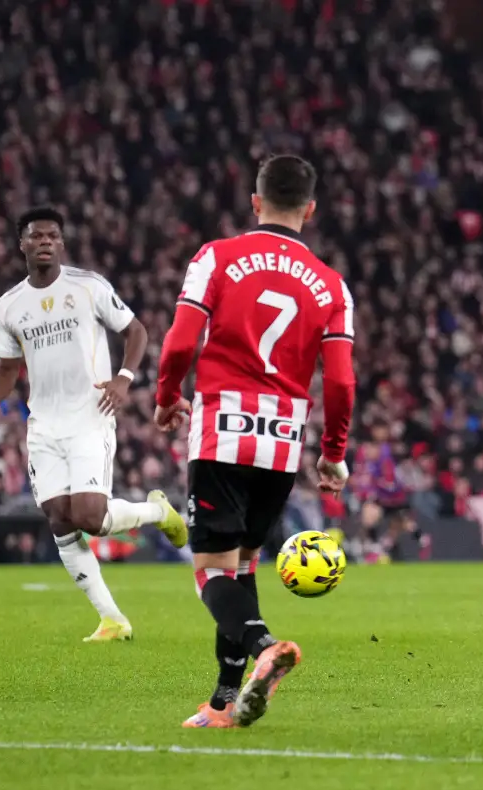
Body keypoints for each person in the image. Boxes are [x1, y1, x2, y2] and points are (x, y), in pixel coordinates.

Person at [154, 154, 355, 729]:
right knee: (241, 568)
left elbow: (179, 342)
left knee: (210, 572)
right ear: (310, 210)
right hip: (282, 443)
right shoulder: (333, 285)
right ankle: (223, 701)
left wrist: (168, 395)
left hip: (223, 429)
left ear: (254, 201)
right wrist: (334, 454)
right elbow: (340, 380)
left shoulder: (216, 257)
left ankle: (266, 644)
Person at [0, 207, 188, 643]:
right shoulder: (9, 306)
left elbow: (136, 331)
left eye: (52, 235)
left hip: (91, 416)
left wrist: (124, 378)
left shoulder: (88, 287)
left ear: (61, 244)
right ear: (22, 245)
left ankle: (157, 511)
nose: (45, 241)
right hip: (44, 425)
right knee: (59, 519)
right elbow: (8, 368)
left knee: (89, 515)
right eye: (36, 236)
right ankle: (111, 618)